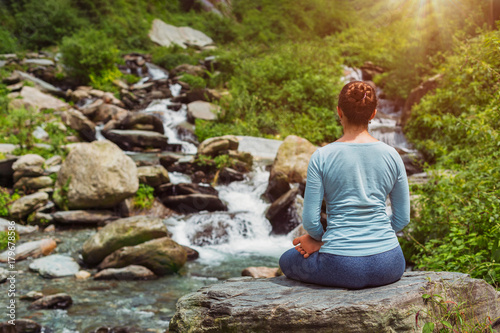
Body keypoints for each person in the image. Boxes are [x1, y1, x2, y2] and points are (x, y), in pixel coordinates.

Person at [279, 81, 410, 289]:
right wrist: (377, 236)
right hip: (391, 264)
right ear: (373, 114)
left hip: (341, 265)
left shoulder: (322, 156)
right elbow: (402, 218)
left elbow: (311, 222)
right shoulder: (392, 155)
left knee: (286, 261)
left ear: (339, 112)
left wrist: (321, 241)